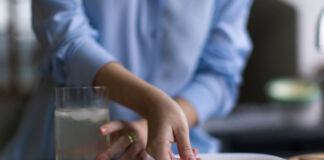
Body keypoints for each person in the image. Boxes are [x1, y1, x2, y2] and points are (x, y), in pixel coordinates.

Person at [3, 0, 253, 159]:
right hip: (66, 141)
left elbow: (219, 74)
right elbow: (68, 40)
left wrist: (149, 126)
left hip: (176, 149)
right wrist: (152, 104)